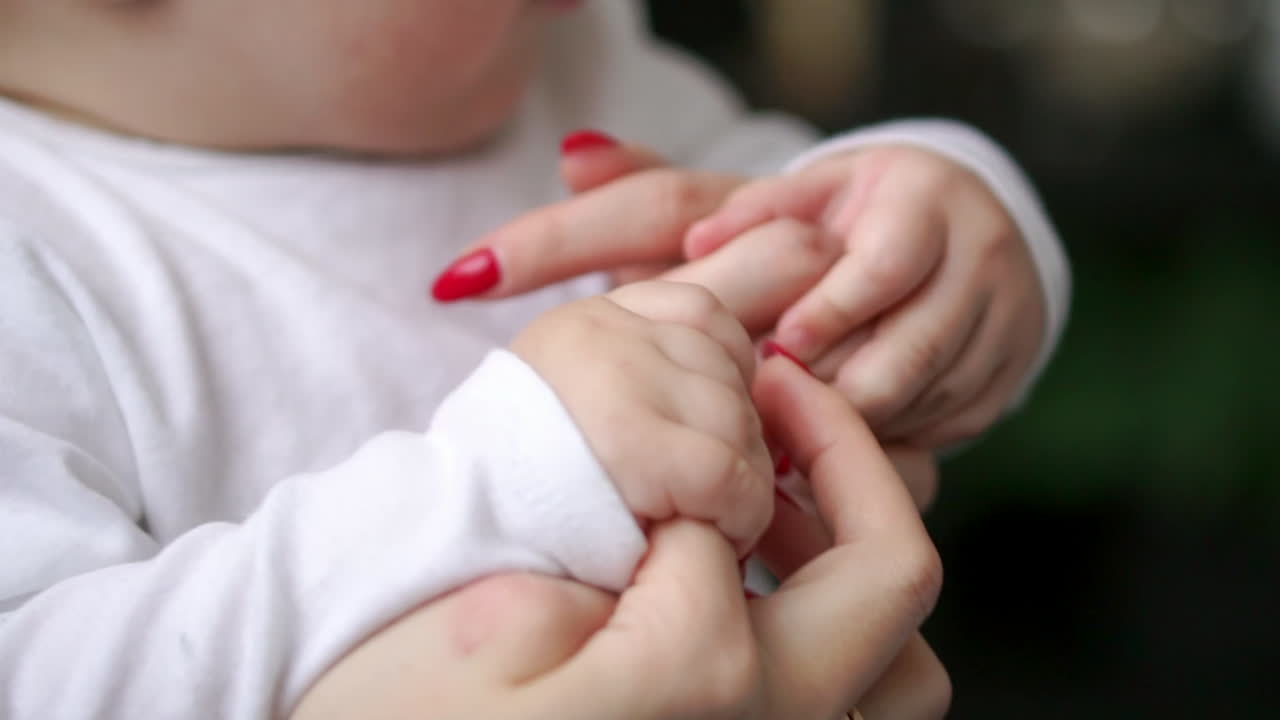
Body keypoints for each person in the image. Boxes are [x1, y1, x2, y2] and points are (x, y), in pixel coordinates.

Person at [0, 1, 1069, 718]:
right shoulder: (34, 250)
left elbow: (793, 211)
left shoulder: (563, 57)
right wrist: (505, 482)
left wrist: (932, 215)